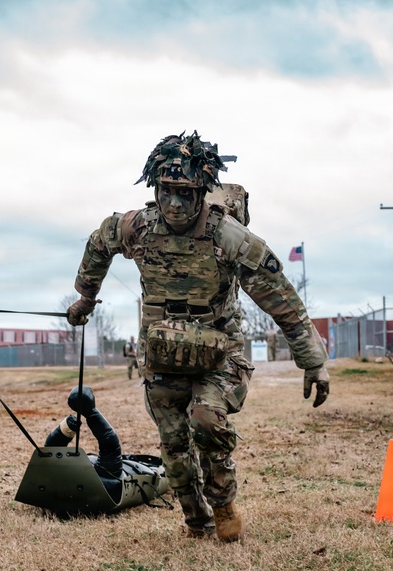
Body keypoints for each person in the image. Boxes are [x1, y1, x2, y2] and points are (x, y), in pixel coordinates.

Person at [66, 131, 329, 542]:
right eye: (166, 191)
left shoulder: (228, 238)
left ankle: (223, 505)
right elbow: (100, 242)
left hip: (220, 350)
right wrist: (85, 298)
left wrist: (313, 361)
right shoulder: (138, 227)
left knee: (206, 422)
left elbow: (281, 299)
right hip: (162, 352)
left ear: (202, 193)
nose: (173, 203)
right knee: (173, 446)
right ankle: (196, 519)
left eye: (185, 194)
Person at [43, 386, 169, 512]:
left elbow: (49, 454)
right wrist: (90, 412)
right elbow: (110, 443)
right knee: (110, 467)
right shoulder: (109, 477)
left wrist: (65, 429)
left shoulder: (107, 480)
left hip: (109, 483)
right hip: (114, 479)